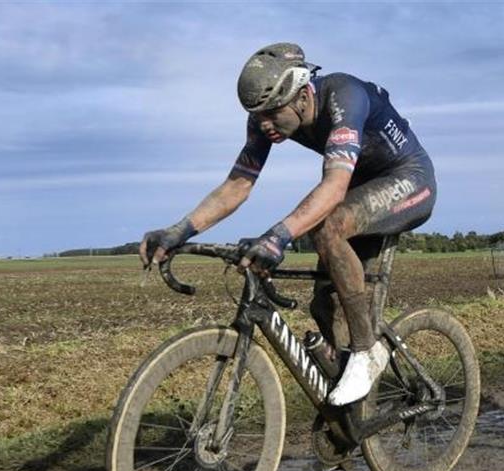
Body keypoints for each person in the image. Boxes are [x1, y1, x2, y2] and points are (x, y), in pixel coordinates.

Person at [140, 43, 437, 405]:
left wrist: (277, 237)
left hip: (408, 179)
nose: (265, 124)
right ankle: (348, 412)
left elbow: (334, 186)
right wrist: (180, 230)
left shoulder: (343, 96)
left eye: (272, 113)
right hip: (362, 188)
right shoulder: (266, 121)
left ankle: (366, 351)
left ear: (299, 94)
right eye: (257, 115)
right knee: (323, 306)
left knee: (327, 229)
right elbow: (237, 185)